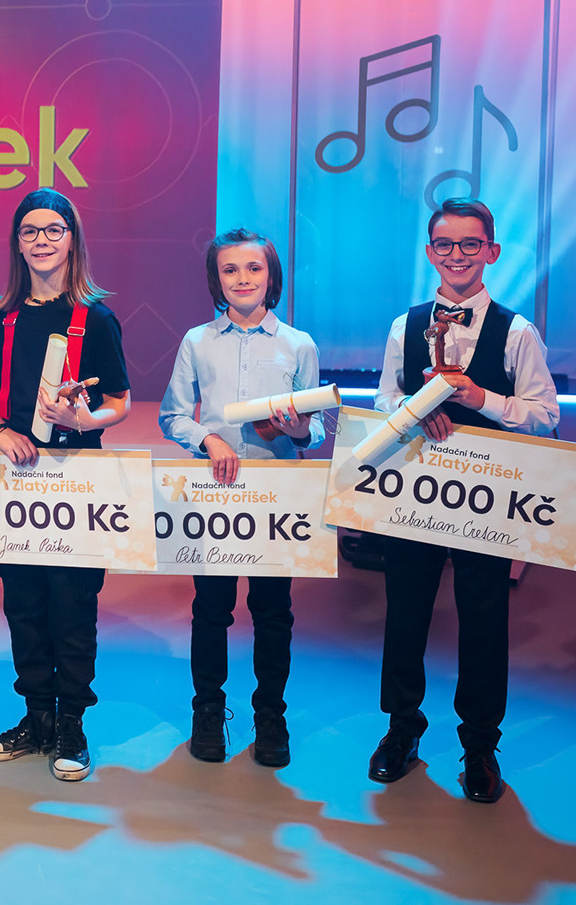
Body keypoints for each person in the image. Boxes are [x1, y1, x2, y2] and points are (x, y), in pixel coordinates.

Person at [367, 198, 559, 804]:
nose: (457, 255)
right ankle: (402, 728)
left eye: (470, 244)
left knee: (483, 619)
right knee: (405, 612)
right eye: (446, 245)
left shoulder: (517, 331)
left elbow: (546, 416)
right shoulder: (405, 326)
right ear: (430, 253)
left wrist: (480, 399)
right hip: (415, 493)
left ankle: (479, 746)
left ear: (491, 252)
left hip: (486, 500)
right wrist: (412, 412)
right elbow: (383, 402)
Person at [0, 189, 131, 782]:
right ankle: (36, 719)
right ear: (17, 243)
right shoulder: (4, 318)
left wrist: (84, 420)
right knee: (23, 602)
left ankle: (72, 726)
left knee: (73, 603)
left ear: (72, 239)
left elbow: (120, 401)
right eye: (30, 231)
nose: (42, 241)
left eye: (53, 230)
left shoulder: (96, 319)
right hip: (17, 483)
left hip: (79, 481)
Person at [159, 229, 324, 768]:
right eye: (230, 270)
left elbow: (318, 427)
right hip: (215, 497)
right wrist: (207, 438)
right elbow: (172, 414)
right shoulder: (197, 341)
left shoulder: (299, 345)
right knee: (211, 608)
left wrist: (298, 429)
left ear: (271, 275)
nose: (242, 278)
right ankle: (208, 710)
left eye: (253, 268)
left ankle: (270, 715)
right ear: (216, 279)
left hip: (277, 498)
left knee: (273, 612)